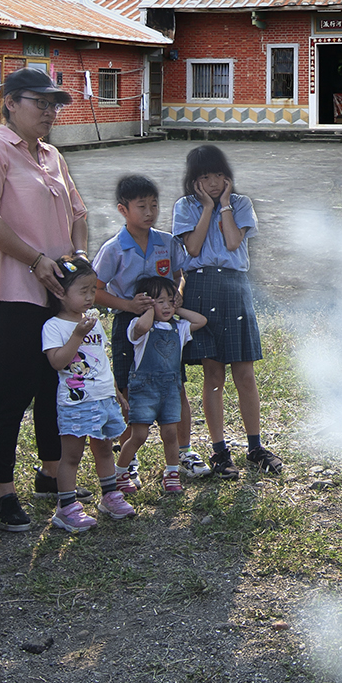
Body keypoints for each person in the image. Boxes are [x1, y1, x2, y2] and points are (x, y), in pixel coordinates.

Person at [0, 67, 90, 532]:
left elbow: (77, 211)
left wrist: (74, 254)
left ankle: (51, 472)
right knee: (13, 388)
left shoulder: (51, 155)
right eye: (41, 103)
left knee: (52, 386)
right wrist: (35, 260)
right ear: (12, 102)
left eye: (55, 105)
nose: (50, 112)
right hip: (15, 289)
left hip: (56, 292)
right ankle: (0, 490)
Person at [92, 174, 213, 486]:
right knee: (130, 390)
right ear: (123, 210)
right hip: (128, 325)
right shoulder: (114, 249)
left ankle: (183, 452)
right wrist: (127, 305)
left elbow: (178, 273)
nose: (149, 212)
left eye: (154, 206)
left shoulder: (166, 242)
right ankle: (127, 458)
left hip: (166, 328)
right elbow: (94, 290)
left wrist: (178, 292)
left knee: (176, 385)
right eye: (141, 206)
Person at [172, 145, 284, 478]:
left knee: (245, 374)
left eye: (219, 175)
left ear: (228, 176)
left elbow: (234, 242)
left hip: (236, 287)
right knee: (214, 376)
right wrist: (206, 207)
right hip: (201, 288)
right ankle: (220, 451)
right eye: (205, 176)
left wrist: (222, 207)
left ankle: (255, 446)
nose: (214, 182)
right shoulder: (185, 207)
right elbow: (192, 248)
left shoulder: (241, 204)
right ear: (194, 180)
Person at [41, 256, 134, 533]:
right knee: (72, 455)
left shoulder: (94, 322)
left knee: (104, 447)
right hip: (76, 401)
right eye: (83, 291)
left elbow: (101, 360)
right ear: (60, 292)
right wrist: (77, 336)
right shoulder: (54, 326)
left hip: (103, 397)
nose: (90, 297)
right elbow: (57, 362)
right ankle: (66, 508)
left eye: (92, 290)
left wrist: (115, 391)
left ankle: (109, 497)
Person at [117, 275, 209, 494]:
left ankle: (171, 473)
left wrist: (177, 309)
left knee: (170, 434)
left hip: (170, 390)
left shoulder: (179, 327)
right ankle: (119, 472)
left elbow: (201, 320)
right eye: (160, 301)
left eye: (170, 300)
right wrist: (149, 309)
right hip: (144, 390)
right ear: (147, 304)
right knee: (138, 435)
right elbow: (141, 325)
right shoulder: (139, 327)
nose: (166, 306)